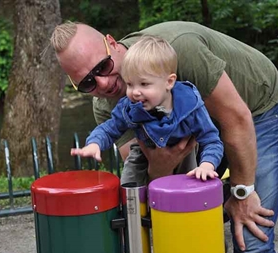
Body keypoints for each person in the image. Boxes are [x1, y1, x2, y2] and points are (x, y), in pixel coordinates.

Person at [50, 21, 278, 253]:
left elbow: (236, 119)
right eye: (88, 82)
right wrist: (160, 165)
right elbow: (146, 178)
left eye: (103, 66)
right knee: (186, 230)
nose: (103, 83)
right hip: (196, 129)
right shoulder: (108, 105)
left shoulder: (181, 49)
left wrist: (241, 192)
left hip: (253, 108)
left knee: (251, 239)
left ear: (111, 43)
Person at [70, 35, 224, 183]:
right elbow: (108, 129)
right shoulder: (129, 107)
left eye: (144, 84)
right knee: (131, 186)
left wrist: (207, 165)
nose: (135, 92)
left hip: (184, 153)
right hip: (144, 154)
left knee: (187, 186)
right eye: (130, 84)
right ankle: (137, 206)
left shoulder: (190, 105)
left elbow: (211, 140)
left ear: (169, 82)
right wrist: (94, 144)